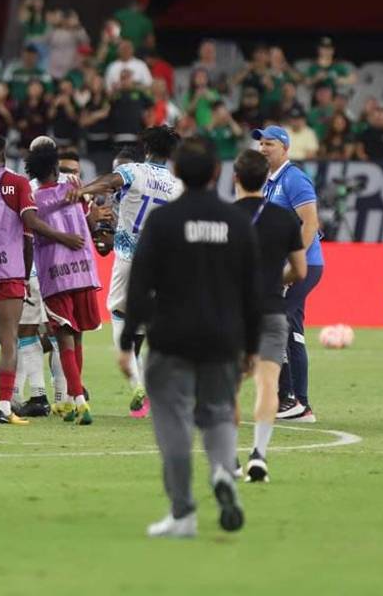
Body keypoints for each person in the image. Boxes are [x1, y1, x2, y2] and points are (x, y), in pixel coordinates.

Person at [124, 137, 259, 538]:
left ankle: (183, 512)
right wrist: (251, 345)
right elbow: (253, 291)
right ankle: (223, 472)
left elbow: (139, 284)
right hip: (223, 336)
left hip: (171, 337)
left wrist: (127, 339)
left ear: (177, 172)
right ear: (218, 172)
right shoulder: (237, 222)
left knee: (174, 421)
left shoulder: (163, 221)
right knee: (218, 412)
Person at [0, 134, 84, 424]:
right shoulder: (16, 183)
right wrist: (27, 272)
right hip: (7, 269)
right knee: (9, 337)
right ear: (3, 154)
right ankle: (4, 406)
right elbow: (29, 226)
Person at [69, 126, 182, 417]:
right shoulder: (177, 185)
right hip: (161, 262)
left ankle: (137, 383)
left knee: (119, 313)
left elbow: (110, 181)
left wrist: (82, 190)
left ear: (147, 149)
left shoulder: (134, 171)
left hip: (129, 257)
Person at [233, 150, 306, 483]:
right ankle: (259, 455)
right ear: (266, 178)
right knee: (268, 384)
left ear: (235, 178)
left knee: (229, 387)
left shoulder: (224, 217)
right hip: (272, 311)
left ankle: (230, 459)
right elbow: (300, 271)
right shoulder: (284, 218)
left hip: (232, 314)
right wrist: (276, 280)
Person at [24, 144, 102, 425]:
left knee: (64, 337)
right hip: (83, 271)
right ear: (56, 169)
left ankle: (79, 401)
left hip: (55, 275)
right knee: (77, 336)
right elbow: (91, 220)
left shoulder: (32, 199)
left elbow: (29, 231)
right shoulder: (74, 190)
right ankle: (69, 400)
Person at [255, 125, 322, 422]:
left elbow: (311, 223)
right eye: (260, 144)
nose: (263, 148)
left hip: (303, 265)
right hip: (290, 265)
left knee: (276, 323)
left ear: (284, 147)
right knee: (292, 330)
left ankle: (291, 398)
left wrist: (294, 265)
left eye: (269, 143)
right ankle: (299, 403)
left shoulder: (294, 179)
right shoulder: (271, 182)